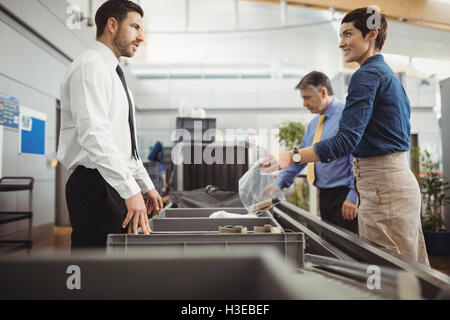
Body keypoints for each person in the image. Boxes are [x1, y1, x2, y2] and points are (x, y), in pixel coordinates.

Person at [260, 7, 429, 265]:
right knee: (409, 271)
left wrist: (290, 156)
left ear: (372, 34)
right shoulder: (386, 75)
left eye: (348, 34)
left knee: (389, 274)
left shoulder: (366, 75)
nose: (341, 43)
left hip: (380, 187)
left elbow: (344, 142)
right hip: (391, 183)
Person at [57, 0, 163, 249]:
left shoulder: (112, 72)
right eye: (135, 27)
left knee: (115, 263)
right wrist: (130, 190)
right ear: (112, 25)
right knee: (94, 267)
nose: (141, 37)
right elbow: (94, 136)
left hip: (112, 181)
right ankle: (79, 290)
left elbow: (123, 145)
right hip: (95, 186)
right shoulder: (90, 67)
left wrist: (146, 186)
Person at [267, 72, 359, 233]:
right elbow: (298, 158)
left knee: (349, 249)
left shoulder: (347, 115)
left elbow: (357, 158)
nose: (304, 103)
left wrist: (354, 195)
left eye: (307, 97)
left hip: (344, 197)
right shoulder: (314, 124)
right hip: (324, 195)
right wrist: (277, 184)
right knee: (332, 246)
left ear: (323, 92)